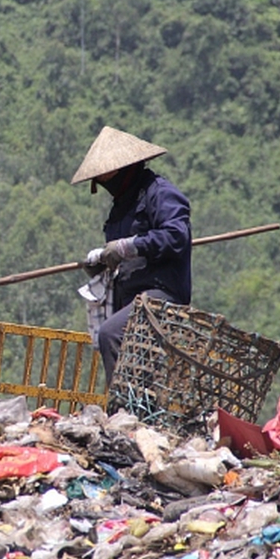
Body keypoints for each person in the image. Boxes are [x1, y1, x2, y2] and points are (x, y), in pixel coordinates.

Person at [71, 126, 192, 385]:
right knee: (133, 360)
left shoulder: (159, 193)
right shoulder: (119, 208)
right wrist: (103, 261)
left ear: (124, 168)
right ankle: (136, 411)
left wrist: (127, 246)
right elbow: (121, 254)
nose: (102, 181)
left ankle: (123, 411)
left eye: (106, 175)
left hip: (162, 294)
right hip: (129, 297)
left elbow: (177, 236)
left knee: (110, 334)